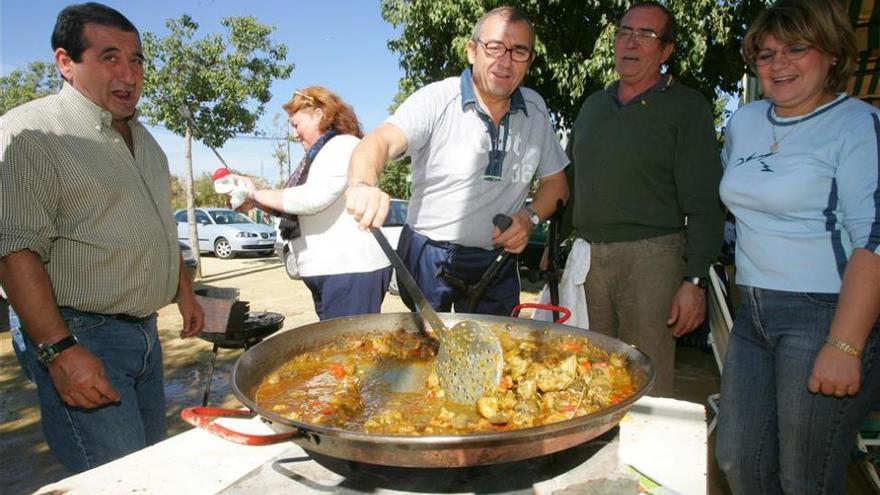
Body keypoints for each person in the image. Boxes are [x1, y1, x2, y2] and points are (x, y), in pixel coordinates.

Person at [0, 2, 205, 473]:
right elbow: (12, 250)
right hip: (81, 336)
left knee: (149, 467)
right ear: (66, 63)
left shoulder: (146, 140)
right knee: (118, 478)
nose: (129, 73)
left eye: (136, 60)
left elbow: (159, 225)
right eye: (110, 57)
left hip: (144, 333)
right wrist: (60, 351)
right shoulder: (32, 131)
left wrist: (184, 292)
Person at [715, 0, 880, 492]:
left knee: (805, 477)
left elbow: (874, 239)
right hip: (754, 311)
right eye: (765, 54)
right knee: (739, 461)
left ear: (831, 54)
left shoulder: (856, 124)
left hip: (823, 315)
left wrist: (845, 344)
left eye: (795, 49)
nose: (778, 64)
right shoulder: (744, 121)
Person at [346, 6, 569, 317]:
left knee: (494, 351)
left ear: (529, 61)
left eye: (519, 51)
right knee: (424, 350)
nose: (505, 61)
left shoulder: (536, 108)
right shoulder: (436, 98)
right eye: (494, 47)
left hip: (497, 258)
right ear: (472, 50)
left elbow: (557, 185)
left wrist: (529, 218)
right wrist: (362, 184)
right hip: (428, 252)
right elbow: (378, 142)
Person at [561, 1, 724, 396]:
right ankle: (594, 455)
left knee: (643, 377)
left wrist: (694, 280)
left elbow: (706, 202)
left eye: (646, 34)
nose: (630, 42)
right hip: (588, 258)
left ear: (666, 51)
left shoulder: (687, 107)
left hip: (653, 258)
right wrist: (555, 244)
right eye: (624, 32)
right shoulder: (593, 106)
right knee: (585, 371)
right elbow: (572, 180)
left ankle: (644, 459)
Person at [232, 87, 392, 320]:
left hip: (350, 270)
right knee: (338, 346)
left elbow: (313, 198)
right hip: (331, 272)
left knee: (350, 349)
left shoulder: (344, 145)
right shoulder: (317, 156)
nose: (294, 134)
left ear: (319, 114)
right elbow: (293, 204)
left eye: (297, 125)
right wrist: (253, 202)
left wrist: (255, 193)